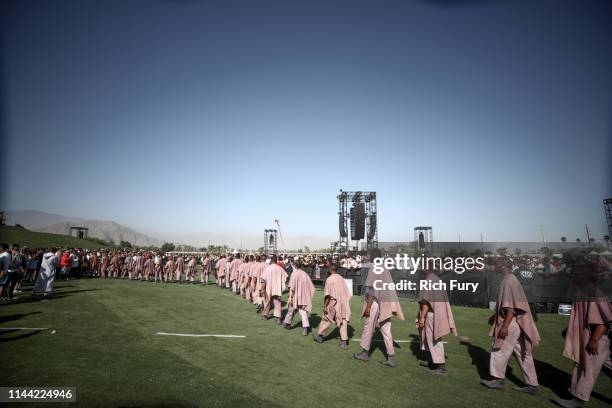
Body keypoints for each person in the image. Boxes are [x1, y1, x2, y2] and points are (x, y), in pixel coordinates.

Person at [553, 257, 612, 408]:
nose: (574, 275)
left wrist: (594, 340)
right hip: (594, 336)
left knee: (586, 366)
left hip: (597, 337)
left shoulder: (592, 292)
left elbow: (603, 322)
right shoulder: (583, 291)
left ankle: (578, 400)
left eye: (578, 273)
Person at [481, 257, 540, 394]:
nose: (492, 266)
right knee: (523, 354)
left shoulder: (508, 281)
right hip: (517, 323)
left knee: (499, 350)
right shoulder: (512, 279)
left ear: (502, 265)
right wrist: (494, 316)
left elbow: (512, 308)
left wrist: (505, 326)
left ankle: (498, 380)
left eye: (494, 264)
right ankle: (532, 385)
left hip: (511, 322)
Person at [353, 255, 405, 367]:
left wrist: (368, 307)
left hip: (375, 301)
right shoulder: (385, 268)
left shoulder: (374, 267)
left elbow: (372, 289)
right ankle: (391, 358)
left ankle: (365, 353)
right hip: (385, 301)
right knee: (386, 330)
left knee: (368, 326)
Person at [414, 269, 457, 374]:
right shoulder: (436, 279)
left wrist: (422, 318)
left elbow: (426, 303)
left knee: (434, 339)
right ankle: (432, 360)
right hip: (436, 313)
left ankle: (441, 367)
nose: (420, 268)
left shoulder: (430, 280)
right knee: (430, 339)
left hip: (431, 314)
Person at [313, 263, 352, 350]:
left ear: (330, 269)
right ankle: (344, 342)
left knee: (326, 318)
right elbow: (347, 292)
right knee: (343, 320)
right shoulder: (341, 278)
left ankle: (320, 337)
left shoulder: (329, 279)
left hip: (333, 302)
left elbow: (327, 295)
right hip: (343, 302)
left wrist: (325, 306)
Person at [283, 258, 315, 335]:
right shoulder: (305, 274)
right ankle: (305, 328)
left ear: (294, 265)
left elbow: (291, 287)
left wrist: (290, 296)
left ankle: (287, 323)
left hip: (295, 295)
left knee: (291, 309)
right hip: (303, 296)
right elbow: (311, 286)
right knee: (303, 312)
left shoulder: (294, 274)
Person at [260, 254, 288, 324]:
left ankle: (265, 315)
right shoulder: (280, 269)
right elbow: (286, 277)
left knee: (267, 302)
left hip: (268, 287)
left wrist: (262, 289)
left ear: (271, 260)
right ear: (276, 261)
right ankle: (278, 318)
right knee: (277, 303)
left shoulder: (268, 268)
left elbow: (263, 280)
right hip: (277, 288)